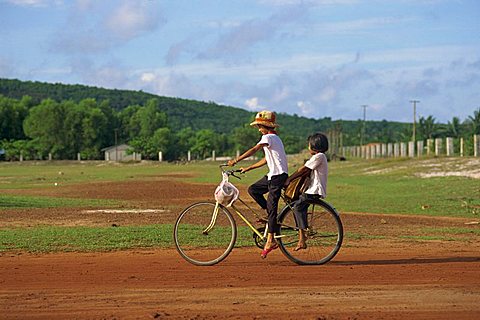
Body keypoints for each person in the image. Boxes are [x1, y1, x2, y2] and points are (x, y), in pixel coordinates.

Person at [227, 110, 288, 259]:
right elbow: (266, 160)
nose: (258, 129)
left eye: (260, 126)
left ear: (266, 126)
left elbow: (254, 149)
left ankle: (271, 240)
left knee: (272, 205)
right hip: (272, 175)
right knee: (253, 190)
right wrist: (249, 168)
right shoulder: (272, 139)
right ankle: (270, 216)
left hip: (278, 176)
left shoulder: (269, 137)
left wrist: (236, 160)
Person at [284, 133, 329, 251]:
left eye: (309, 144)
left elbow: (304, 169)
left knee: (298, 207)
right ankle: (301, 237)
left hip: (314, 190)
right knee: (295, 205)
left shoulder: (319, 156)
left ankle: (302, 239)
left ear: (315, 145)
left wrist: (289, 179)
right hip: (311, 189)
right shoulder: (317, 157)